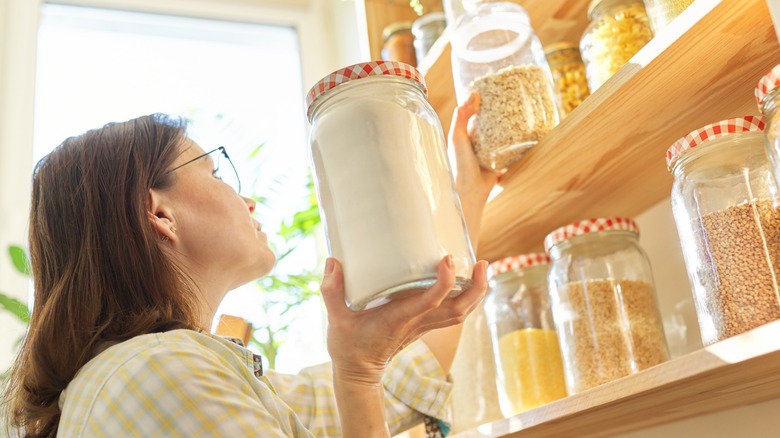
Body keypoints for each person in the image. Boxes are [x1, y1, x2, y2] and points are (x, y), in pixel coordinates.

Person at [1, 92, 497, 437]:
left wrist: (465, 195)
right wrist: (359, 376)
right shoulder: (160, 373)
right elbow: (371, 387)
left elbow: (408, 383)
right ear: (159, 213)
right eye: (216, 173)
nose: (249, 201)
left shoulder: (196, 378)